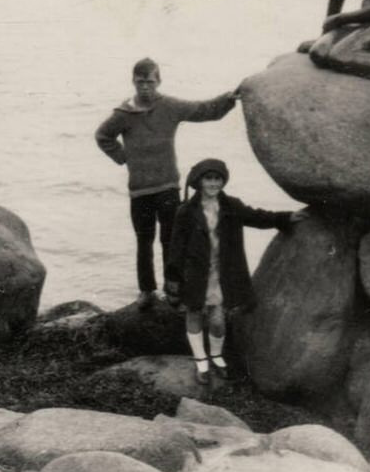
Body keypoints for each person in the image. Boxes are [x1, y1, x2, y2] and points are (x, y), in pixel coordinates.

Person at [96, 58, 238, 310]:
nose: (145, 88)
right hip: (140, 190)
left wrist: (229, 99)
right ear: (133, 82)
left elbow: (203, 110)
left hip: (168, 186)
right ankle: (146, 291)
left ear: (158, 82)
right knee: (144, 242)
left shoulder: (170, 106)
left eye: (150, 82)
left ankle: (175, 291)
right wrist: (122, 157)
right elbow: (103, 135)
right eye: (140, 83)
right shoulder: (123, 115)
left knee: (172, 241)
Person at [164, 159, 306, 385]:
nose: (213, 183)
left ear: (223, 181)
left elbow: (257, 217)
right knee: (194, 314)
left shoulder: (232, 206)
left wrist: (285, 218)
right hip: (195, 273)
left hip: (221, 273)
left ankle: (217, 355)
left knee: (218, 319)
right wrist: (173, 280)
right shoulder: (185, 211)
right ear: (199, 181)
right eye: (208, 179)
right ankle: (201, 360)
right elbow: (176, 248)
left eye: (217, 178)